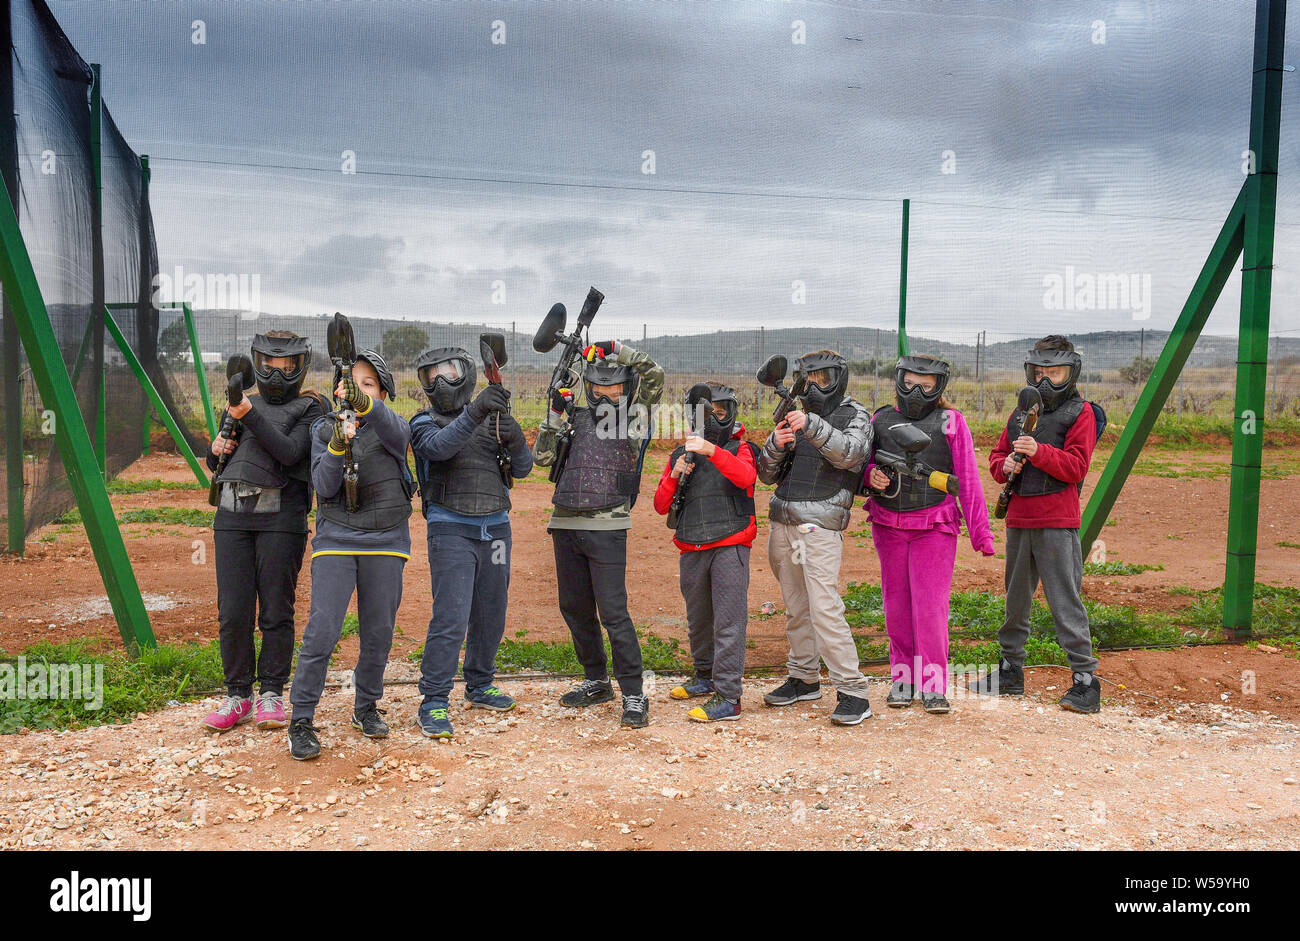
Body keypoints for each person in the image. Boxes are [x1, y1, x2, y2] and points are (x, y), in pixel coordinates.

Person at [288, 348, 414, 760]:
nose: (359, 391)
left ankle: (366, 706)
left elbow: (399, 433)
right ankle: (302, 719)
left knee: (378, 631)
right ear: (338, 389)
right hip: (337, 539)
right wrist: (340, 443)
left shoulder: (392, 427)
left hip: (387, 540)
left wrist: (364, 407)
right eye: (353, 384)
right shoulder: (323, 429)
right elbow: (323, 487)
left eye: (369, 384)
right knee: (322, 630)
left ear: (381, 391)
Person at [533, 339, 664, 728]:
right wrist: (555, 415)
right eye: (600, 388)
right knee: (574, 608)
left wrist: (616, 348)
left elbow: (654, 373)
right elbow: (542, 458)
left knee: (613, 613)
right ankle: (596, 681)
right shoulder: (573, 416)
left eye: (616, 388)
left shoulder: (635, 417)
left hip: (608, 525)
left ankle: (635, 694)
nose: (607, 394)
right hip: (565, 522)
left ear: (627, 389)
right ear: (589, 386)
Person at [972, 336, 1106, 713]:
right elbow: (998, 459)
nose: (1046, 381)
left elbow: (1077, 466)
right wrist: (1006, 466)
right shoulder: (1019, 414)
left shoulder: (1082, 413)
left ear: (1071, 373)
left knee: (1064, 599)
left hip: (1057, 522)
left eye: (1055, 373)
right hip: (1019, 519)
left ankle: (1085, 681)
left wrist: (1038, 452)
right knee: (1015, 600)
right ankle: (1010, 672)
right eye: (1039, 373)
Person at [408, 347, 534, 739]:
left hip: (495, 529)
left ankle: (480, 685)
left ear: (466, 372)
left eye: (446, 371)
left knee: (491, 612)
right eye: (430, 376)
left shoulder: (494, 420)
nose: (439, 381)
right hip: (451, 529)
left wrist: (515, 441)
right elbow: (439, 448)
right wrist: (477, 411)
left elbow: (525, 469)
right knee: (451, 615)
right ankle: (433, 700)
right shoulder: (423, 421)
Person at [201, 332, 323, 733]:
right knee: (233, 612)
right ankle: (238, 695)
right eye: (268, 364)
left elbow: (290, 453)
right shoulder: (241, 406)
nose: (276, 372)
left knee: (275, 610)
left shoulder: (310, 407)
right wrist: (216, 449)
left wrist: (245, 411)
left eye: (286, 366)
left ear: (300, 366)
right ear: (256, 362)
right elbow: (225, 459)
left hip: (282, 517)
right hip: (233, 512)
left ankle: (271, 692)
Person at [863, 355, 995, 714]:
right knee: (896, 606)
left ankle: (933, 684)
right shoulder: (880, 419)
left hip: (934, 525)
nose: (916, 389)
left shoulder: (951, 422)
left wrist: (980, 534)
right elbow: (865, 464)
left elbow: (967, 479)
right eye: (909, 381)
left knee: (930, 607)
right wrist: (869, 477)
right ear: (898, 380)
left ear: (940, 386)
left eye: (926, 383)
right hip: (888, 524)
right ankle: (903, 679)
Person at [756, 350, 874, 725]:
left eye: (824, 377)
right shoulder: (795, 410)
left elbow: (851, 455)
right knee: (796, 605)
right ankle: (804, 677)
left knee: (824, 607)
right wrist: (777, 442)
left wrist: (811, 425)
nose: (816, 385)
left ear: (840, 377)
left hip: (819, 525)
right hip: (783, 518)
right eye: (810, 378)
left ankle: (854, 692)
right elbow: (767, 474)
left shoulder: (855, 414)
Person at [653, 383, 757, 722]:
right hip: (692, 545)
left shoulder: (740, 448)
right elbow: (660, 505)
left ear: (731, 413)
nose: (714, 417)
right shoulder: (680, 455)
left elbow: (746, 477)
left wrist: (712, 450)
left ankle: (729, 697)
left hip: (730, 544)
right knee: (699, 619)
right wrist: (675, 473)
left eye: (719, 411)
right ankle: (704, 677)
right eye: (704, 412)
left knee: (729, 621)